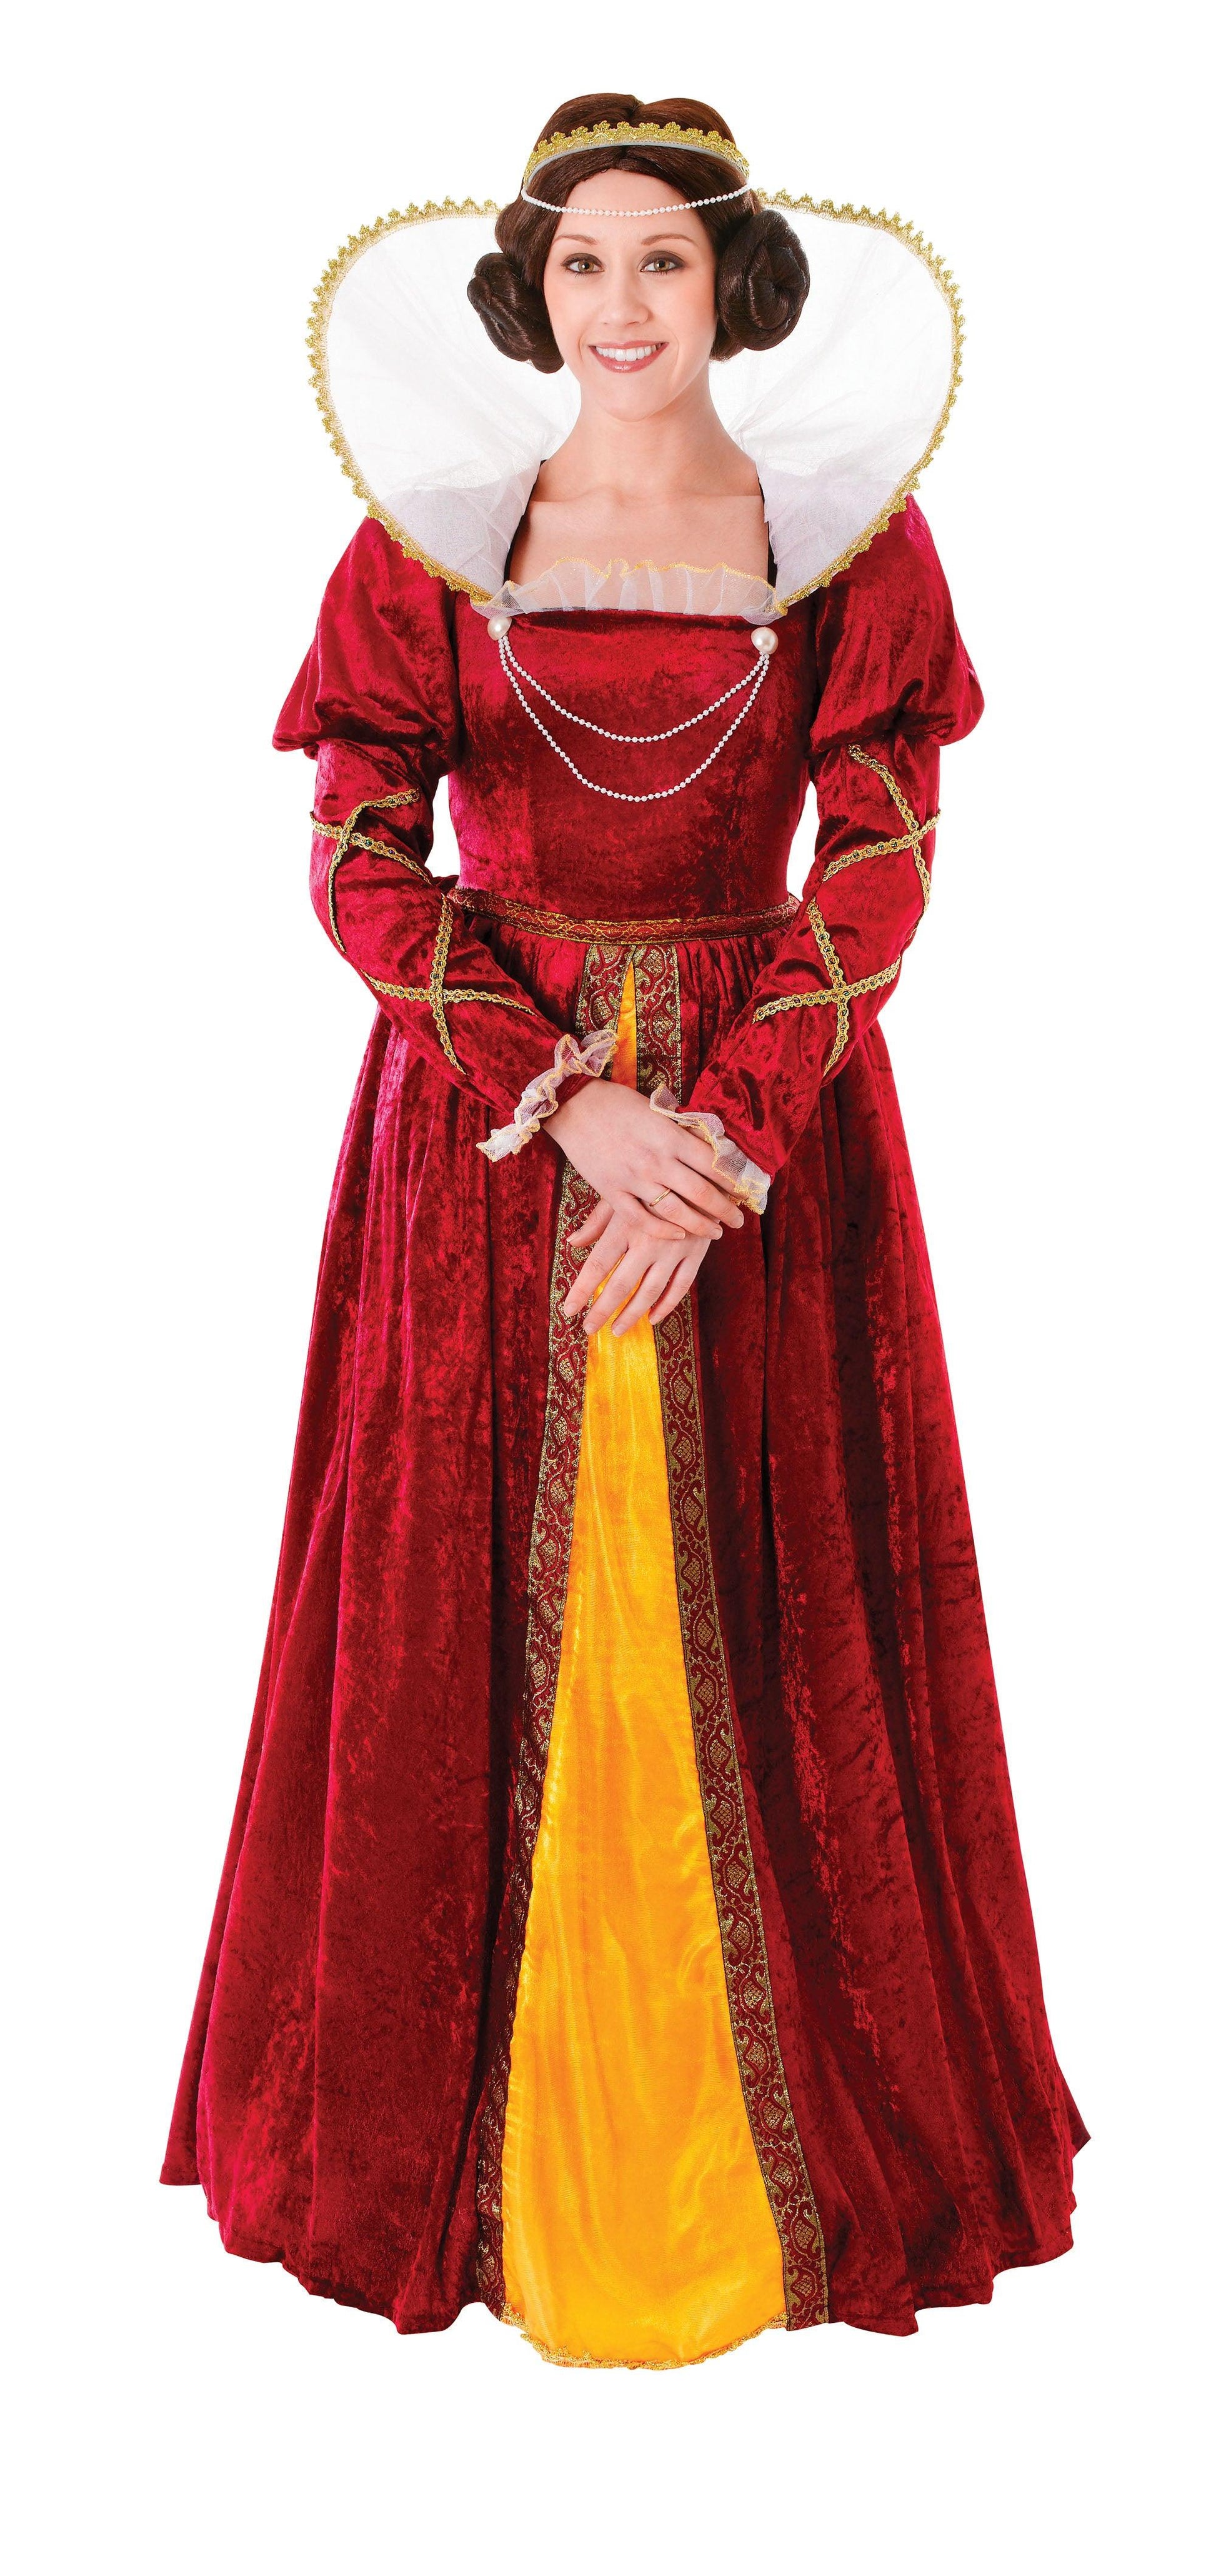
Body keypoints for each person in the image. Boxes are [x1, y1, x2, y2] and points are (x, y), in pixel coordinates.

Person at [162, 93, 1085, 2368]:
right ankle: (465, 2169)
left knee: (784, 1587)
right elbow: (359, 849)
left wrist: (728, 1135)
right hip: (488, 1154)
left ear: (728, 284)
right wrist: (567, 1102)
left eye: (659, 258)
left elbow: (879, 858)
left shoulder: (848, 542)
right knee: (452, 1589)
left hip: (774, 1144)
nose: (620, 302)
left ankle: (771, 2175)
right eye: (581, 262)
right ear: (530, 287)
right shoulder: (433, 537)